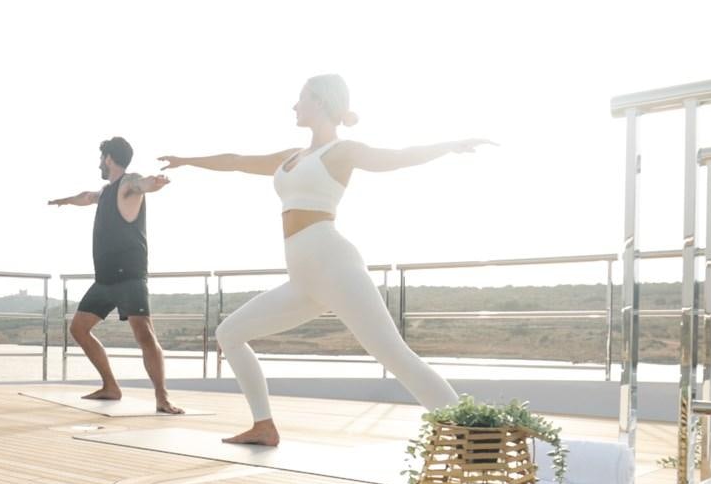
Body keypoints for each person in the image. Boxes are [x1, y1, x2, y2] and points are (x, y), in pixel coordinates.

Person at [159, 75, 491, 445]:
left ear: (319, 102)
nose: (294, 105)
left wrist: (449, 146)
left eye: (300, 98)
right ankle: (264, 426)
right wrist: (186, 161)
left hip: (334, 265)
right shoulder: (291, 157)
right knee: (229, 334)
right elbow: (236, 161)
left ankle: (473, 438)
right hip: (304, 279)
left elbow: (396, 158)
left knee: (394, 354)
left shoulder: (342, 151)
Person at [48, 136, 183, 413]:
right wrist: (65, 201)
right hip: (104, 279)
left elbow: (141, 183)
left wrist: (154, 183)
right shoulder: (106, 192)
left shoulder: (127, 184)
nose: (99, 163)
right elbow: (86, 197)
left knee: (144, 334)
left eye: (101, 158)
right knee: (78, 329)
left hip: (129, 277)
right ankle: (110, 386)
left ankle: (162, 397)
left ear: (109, 158)